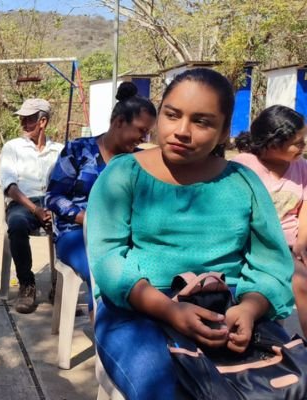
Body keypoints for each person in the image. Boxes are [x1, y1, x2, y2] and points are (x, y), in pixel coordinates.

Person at [87, 68, 295, 399]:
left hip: (229, 308)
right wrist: (169, 310)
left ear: (225, 130)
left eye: (202, 122)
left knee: (291, 382)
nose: (181, 131)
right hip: (138, 310)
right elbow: (108, 259)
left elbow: (270, 261)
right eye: (172, 115)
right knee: (165, 390)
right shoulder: (123, 175)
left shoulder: (243, 183)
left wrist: (251, 308)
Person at [46, 82, 156, 312]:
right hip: (76, 235)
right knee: (105, 273)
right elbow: (53, 197)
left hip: (125, 235)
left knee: (150, 273)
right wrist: (86, 218)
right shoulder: (78, 150)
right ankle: (107, 338)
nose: (143, 139)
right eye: (140, 130)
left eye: (147, 133)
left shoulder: (139, 161)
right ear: (118, 123)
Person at [233, 105, 307, 336]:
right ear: (273, 143)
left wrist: (302, 241)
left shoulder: (302, 167)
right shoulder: (244, 166)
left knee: (302, 284)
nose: (303, 146)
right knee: (272, 291)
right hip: (256, 246)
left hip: (290, 246)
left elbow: (305, 206)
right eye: (298, 142)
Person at [0, 98, 64, 313]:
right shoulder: (12, 147)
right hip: (22, 201)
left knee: (70, 228)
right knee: (16, 224)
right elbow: (9, 186)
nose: (23, 124)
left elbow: (66, 184)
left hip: (53, 201)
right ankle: (27, 284)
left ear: (42, 121)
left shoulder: (60, 150)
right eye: (22, 119)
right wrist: (34, 209)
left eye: (29, 119)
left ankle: (61, 287)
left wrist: (54, 209)